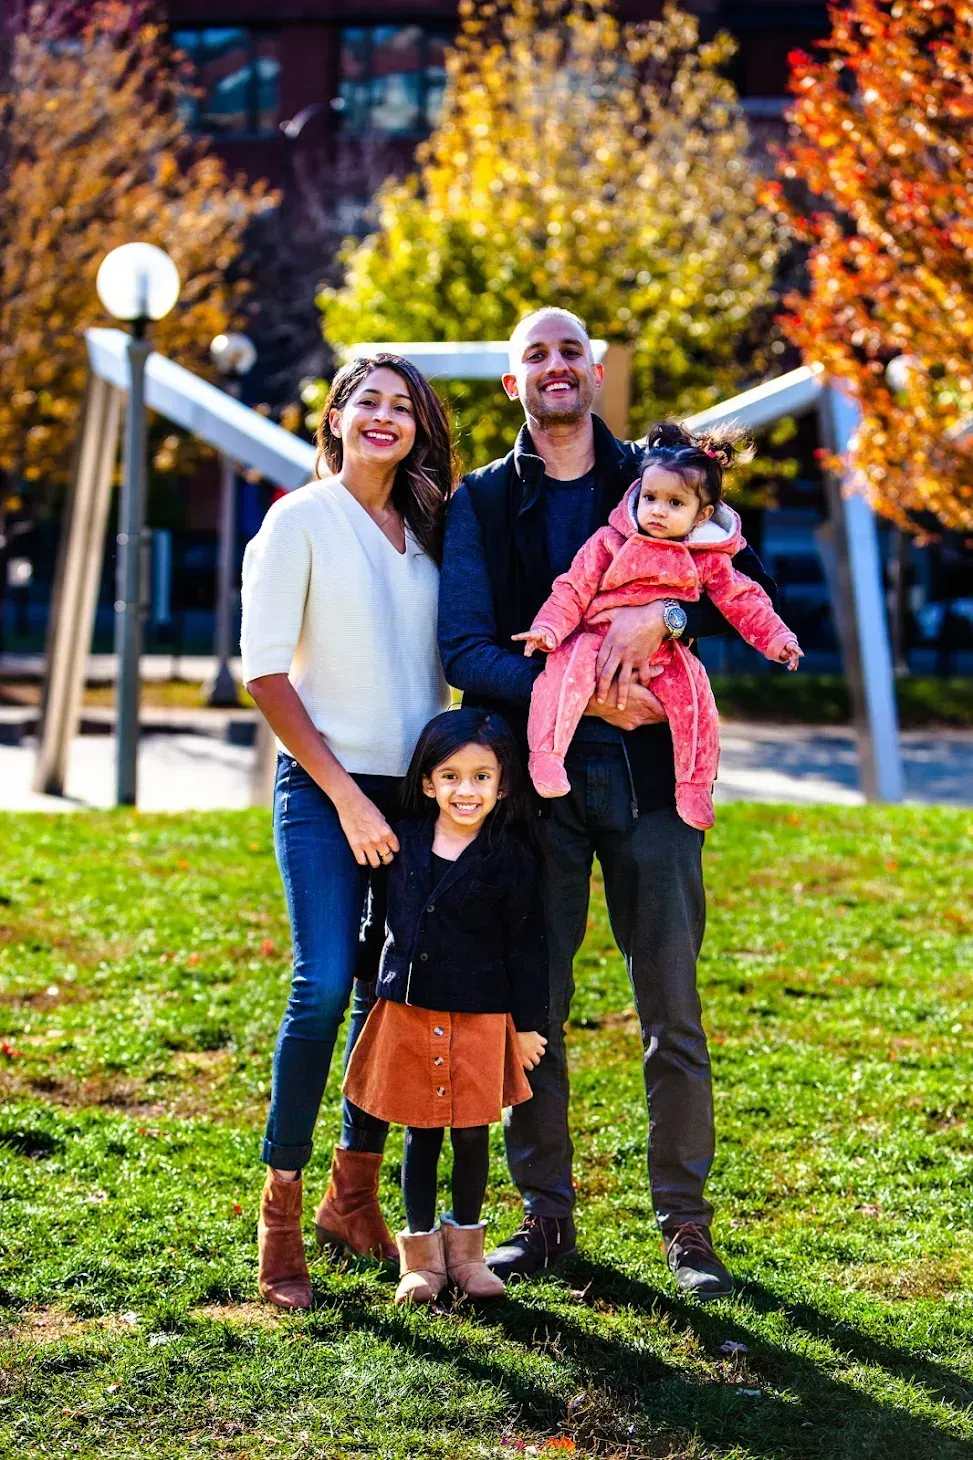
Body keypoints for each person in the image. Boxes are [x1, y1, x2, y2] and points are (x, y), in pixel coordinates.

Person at [438, 306, 779, 1300]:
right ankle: (544, 1217)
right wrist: (577, 685)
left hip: (654, 787)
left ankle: (687, 1227)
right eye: (533, 354)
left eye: (569, 350)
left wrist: (670, 611)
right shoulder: (483, 503)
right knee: (530, 1009)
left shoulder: (663, 475)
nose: (555, 365)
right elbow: (463, 649)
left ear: (595, 372)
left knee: (670, 1005)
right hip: (534, 792)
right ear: (515, 384)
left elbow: (741, 590)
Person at [241, 353, 453, 1310]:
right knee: (325, 983)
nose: (384, 417)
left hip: (416, 796)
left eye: (401, 406)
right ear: (333, 417)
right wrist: (349, 799)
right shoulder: (298, 520)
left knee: (393, 993)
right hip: (326, 791)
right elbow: (266, 675)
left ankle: (351, 1194)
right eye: (366, 401)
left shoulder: (429, 531)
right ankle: (279, 1212)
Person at [343, 708, 549, 1305]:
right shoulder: (400, 843)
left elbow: (527, 947)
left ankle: (468, 1257)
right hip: (408, 1010)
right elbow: (375, 924)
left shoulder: (512, 858)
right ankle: (421, 1261)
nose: (467, 790)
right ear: (429, 782)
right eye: (452, 776)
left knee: (471, 1136)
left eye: (482, 777)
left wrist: (528, 1025)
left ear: (503, 785)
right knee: (420, 1134)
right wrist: (368, 989)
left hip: (482, 1016)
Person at [517, 420, 802, 829]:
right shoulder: (610, 541)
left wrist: (777, 639)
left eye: (674, 504)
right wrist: (549, 629)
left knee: (698, 701)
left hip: (667, 652)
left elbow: (745, 599)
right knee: (561, 676)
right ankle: (546, 756)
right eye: (650, 498)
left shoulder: (707, 557)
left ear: (702, 514)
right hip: (595, 637)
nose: (657, 511)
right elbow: (573, 588)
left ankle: (694, 785)